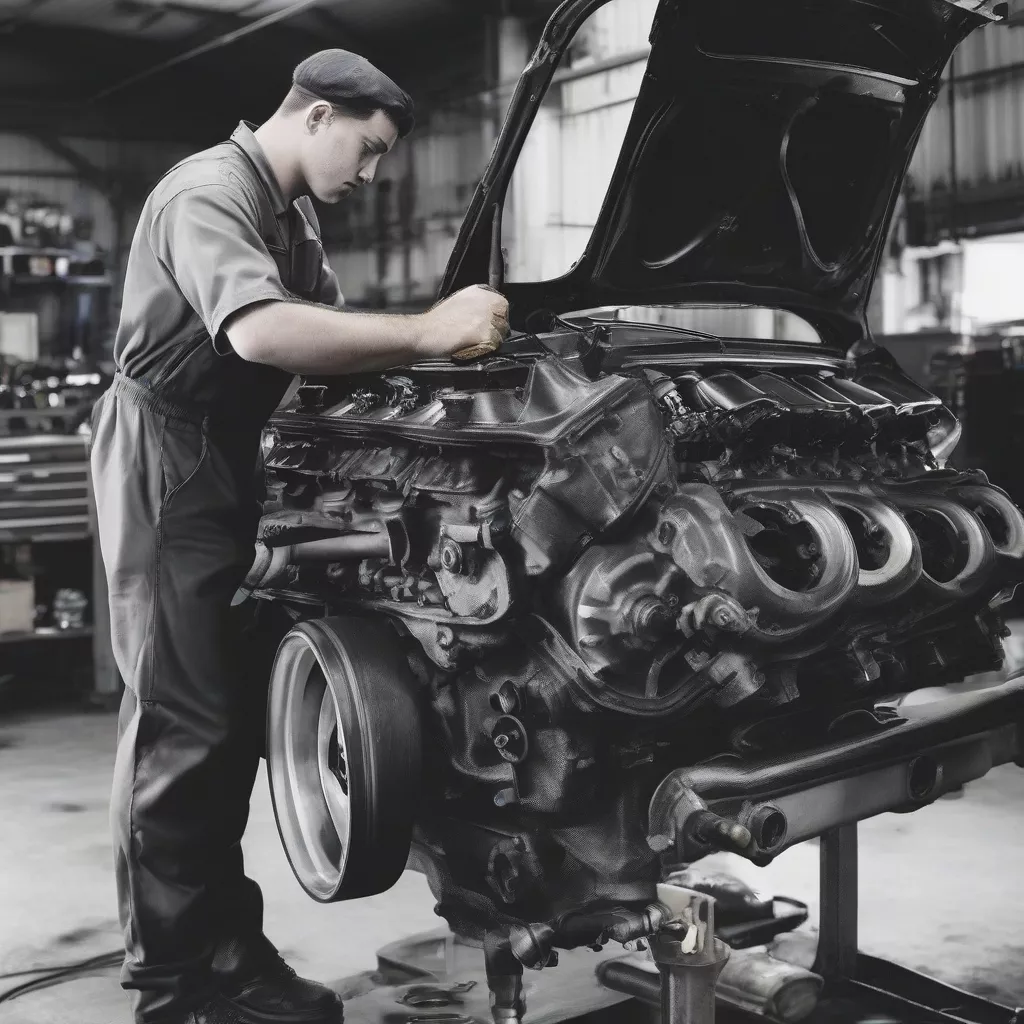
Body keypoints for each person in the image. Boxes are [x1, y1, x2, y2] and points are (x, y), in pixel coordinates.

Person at [90, 49, 509, 1024]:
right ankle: (174, 985)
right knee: (177, 727)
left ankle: (223, 946)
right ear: (316, 115)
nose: (368, 176)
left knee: (225, 724)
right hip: (166, 456)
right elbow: (262, 335)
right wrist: (423, 332)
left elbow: (324, 348)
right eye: (364, 150)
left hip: (232, 455)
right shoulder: (206, 192)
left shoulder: (293, 218)